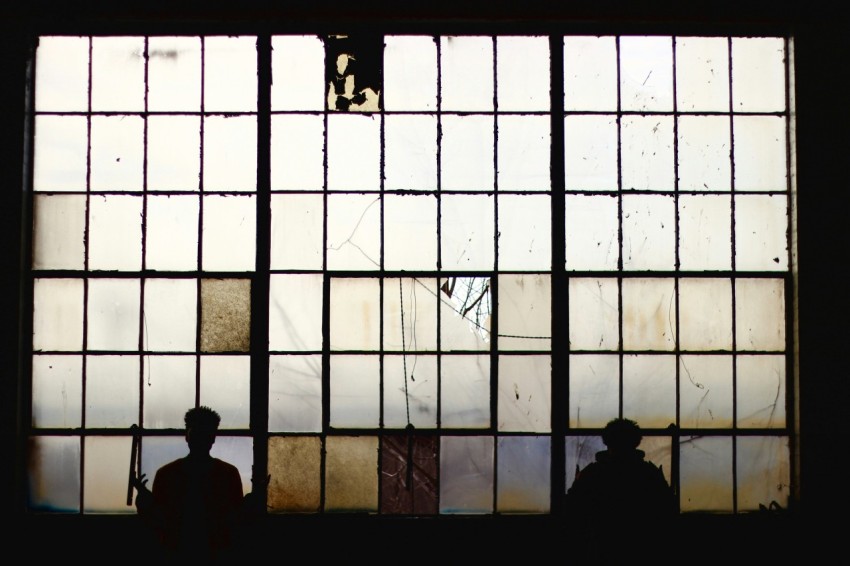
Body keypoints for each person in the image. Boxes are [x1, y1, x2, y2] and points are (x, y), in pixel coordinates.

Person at [131, 406, 266, 563]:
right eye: (198, 433)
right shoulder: (227, 473)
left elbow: (158, 519)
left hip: (177, 553)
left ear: (187, 436)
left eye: (205, 434)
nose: (201, 439)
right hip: (216, 553)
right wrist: (256, 496)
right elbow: (236, 518)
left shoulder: (167, 474)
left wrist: (144, 497)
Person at [564, 418, 676, 559]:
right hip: (641, 548)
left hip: (600, 546)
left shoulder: (592, 473)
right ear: (635, 442)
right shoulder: (649, 473)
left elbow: (573, 507)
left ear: (607, 441)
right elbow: (667, 509)